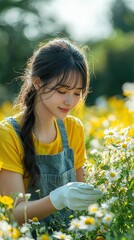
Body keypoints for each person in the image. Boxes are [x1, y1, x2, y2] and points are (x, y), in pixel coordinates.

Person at [0, 38, 103, 228]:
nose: (70, 102)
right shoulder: (7, 134)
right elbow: (12, 214)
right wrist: (57, 199)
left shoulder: (74, 129)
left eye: (77, 93)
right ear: (38, 82)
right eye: (62, 91)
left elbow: (84, 200)